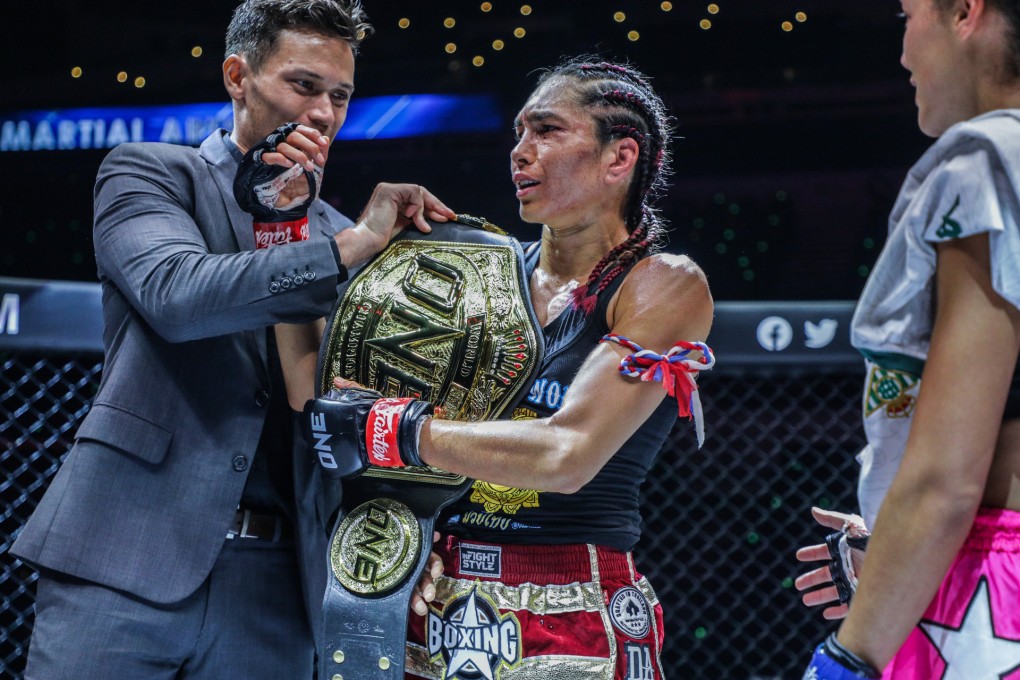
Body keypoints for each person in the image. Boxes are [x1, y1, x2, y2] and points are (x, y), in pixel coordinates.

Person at [10, 1, 451, 678]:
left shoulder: (347, 235)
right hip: (125, 555)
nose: (323, 114)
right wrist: (344, 249)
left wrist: (408, 541)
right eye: (303, 85)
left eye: (339, 96)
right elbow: (176, 298)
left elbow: (340, 411)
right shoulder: (151, 173)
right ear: (238, 77)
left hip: (277, 585)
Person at [281, 57, 715, 679]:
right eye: (519, 132)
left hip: (572, 608)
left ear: (619, 158)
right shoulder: (470, 274)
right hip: (433, 597)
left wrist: (395, 431)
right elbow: (320, 400)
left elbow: (567, 454)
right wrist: (288, 231)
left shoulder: (663, 285)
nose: (520, 151)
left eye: (547, 130)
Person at [795, 0, 1020, 677]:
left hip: (988, 588)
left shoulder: (987, 162)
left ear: (965, 12)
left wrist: (849, 653)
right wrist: (899, 550)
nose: (902, 52)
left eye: (907, 15)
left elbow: (947, 481)